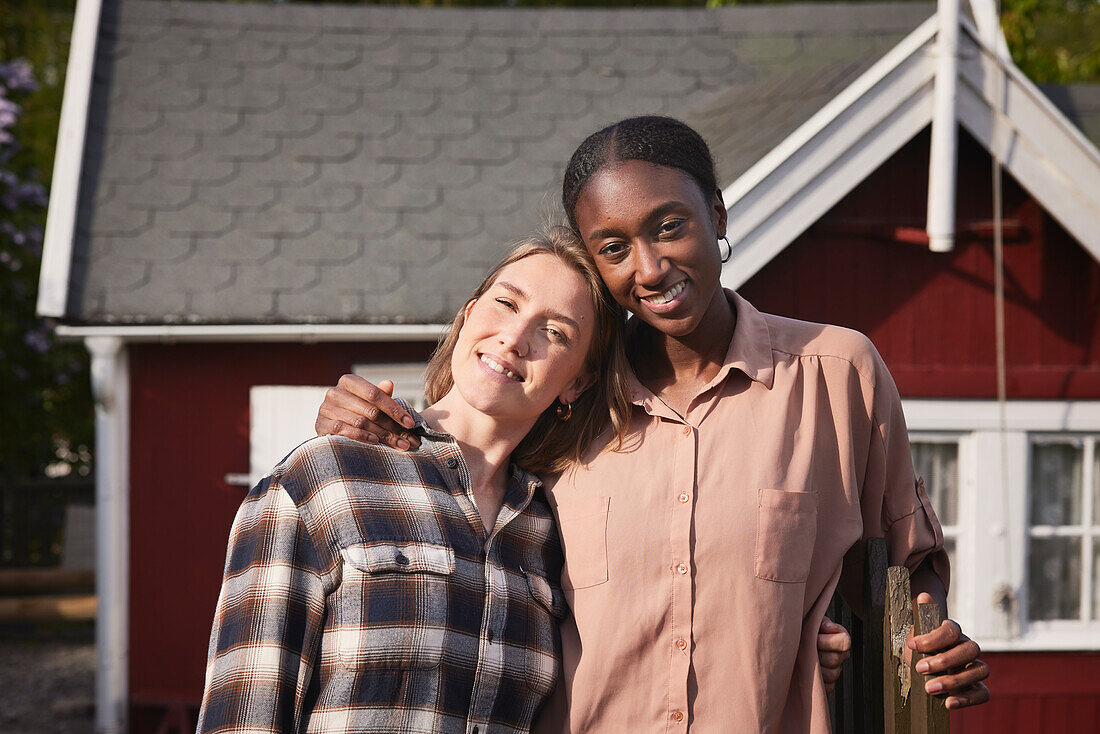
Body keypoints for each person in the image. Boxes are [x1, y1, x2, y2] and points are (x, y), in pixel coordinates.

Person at [315, 117, 990, 732]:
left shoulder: (838, 374)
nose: (650, 268)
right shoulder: (566, 399)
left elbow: (906, 568)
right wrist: (362, 428)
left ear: (716, 212)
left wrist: (931, 642)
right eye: (613, 247)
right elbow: (463, 494)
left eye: (670, 227)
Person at [197, 229, 634, 733]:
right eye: (506, 304)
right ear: (468, 315)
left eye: (555, 332)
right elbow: (243, 715)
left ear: (577, 383)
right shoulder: (325, 479)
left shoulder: (551, 532)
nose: (514, 338)